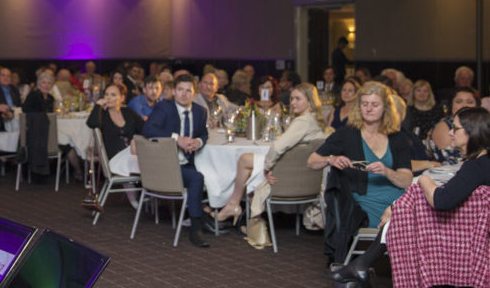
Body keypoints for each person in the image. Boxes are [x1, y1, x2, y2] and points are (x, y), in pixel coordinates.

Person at [329, 106, 490, 284]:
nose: (450, 133)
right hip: (475, 228)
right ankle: (362, 265)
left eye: (455, 128)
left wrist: (423, 180)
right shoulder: (487, 163)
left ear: (472, 132)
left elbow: (441, 201)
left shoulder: (475, 167)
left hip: (469, 236)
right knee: (404, 214)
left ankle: (363, 265)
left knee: (402, 218)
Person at [307, 81, 413, 264]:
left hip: (396, 202)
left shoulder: (397, 138)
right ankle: (365, 265)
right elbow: (312, 161)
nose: (369, 109)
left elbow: (406, 181)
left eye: (375, 104)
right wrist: (330, 160)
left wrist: (387, 172)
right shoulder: (347, 134)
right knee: (395, 224)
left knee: (420, 220)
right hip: (363, 204)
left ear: (385, 108)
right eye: (365, 104)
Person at [222, 83, 329, 227]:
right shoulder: (315, 119)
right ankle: (245, 214)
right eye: (292, 99)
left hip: (290, 176)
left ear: (309, 101)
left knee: (244, 160)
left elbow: (277, 147)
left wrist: (267, 168)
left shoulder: (303, 121)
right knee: (250, 166)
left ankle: (238, 209)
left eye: (298, 99)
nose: (293, 102)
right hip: (306, 176)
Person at [143, 74, 210, 248]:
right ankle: (196, 228)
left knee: (216, 173)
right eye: (180, 89)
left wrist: (199, 142)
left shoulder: (200, 111)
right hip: (167, 166)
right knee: (196, 178)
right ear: (173, 91)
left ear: (194, 93)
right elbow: (147, 129)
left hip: (190, 162)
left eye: (188, 90)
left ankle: (215, 216)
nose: (184, 94)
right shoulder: (164, 108)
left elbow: (204, 134)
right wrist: (176, 138)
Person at [86, 81, 144, 207]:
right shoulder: (103, 114)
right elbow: (92, 123)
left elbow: (144, 128)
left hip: (132, 154)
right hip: (115, 159)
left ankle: (152, 194)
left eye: (113, 95)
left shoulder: (128, 112)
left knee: (148, 157)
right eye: (106, 94)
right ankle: (137, 200)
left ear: (122, 98)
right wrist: (98, 105)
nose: (108, 98)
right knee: (139, 160)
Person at [428, 87, 479, 164]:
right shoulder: (444, 127)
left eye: (469, 102)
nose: (464, 105)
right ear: (451, 105)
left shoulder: (480, 124)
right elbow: (449, 160)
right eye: (459, 102)